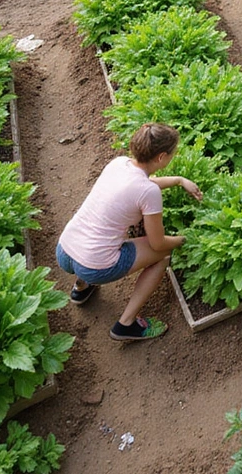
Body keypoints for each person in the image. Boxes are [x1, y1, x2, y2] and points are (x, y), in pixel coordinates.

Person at [56, 123, 202, 342]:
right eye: (172, 154)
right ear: (162, 157)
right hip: (95, 266)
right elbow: (158, 244)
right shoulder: (149, 192)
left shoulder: (119, 163)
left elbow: (142, 185)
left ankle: (81, 287)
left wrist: (179, 181)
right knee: (162, 257)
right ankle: (126, 324)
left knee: (102, 231)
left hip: (65, 251)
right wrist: (186, 239)